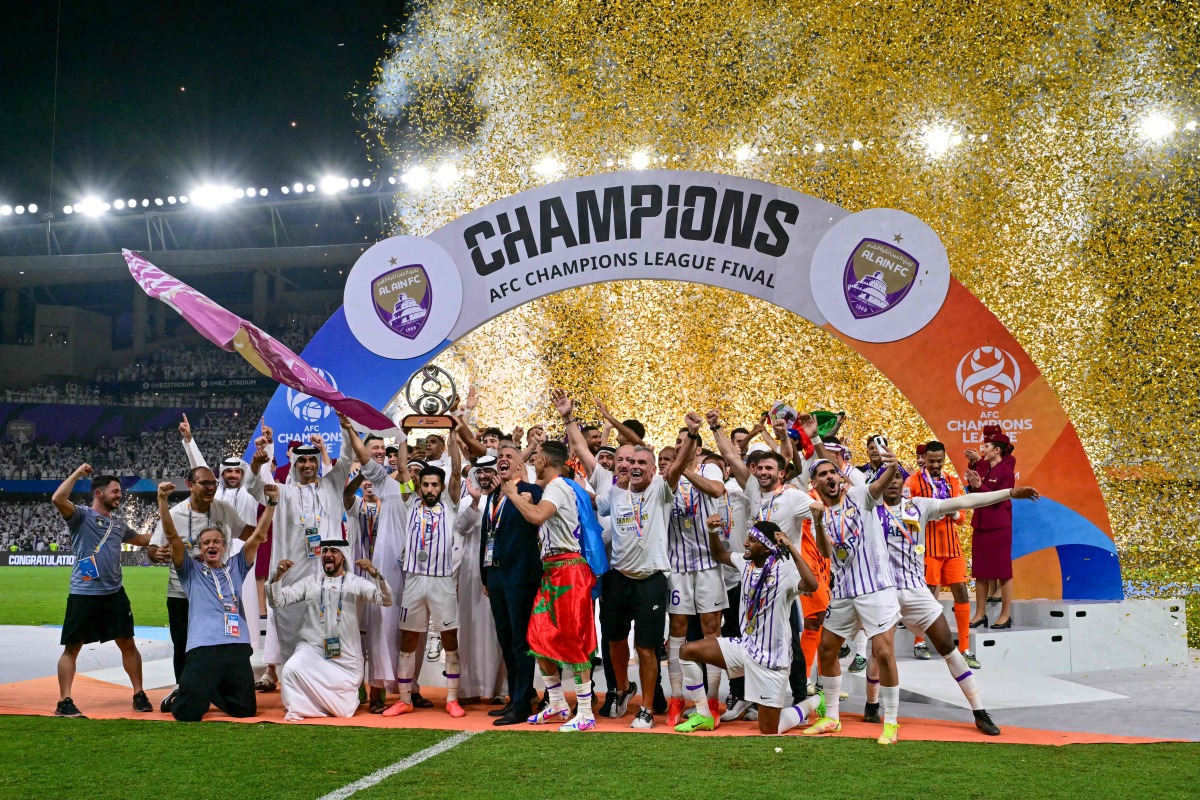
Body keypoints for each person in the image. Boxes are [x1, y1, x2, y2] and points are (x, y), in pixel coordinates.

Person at [864, 469, 1040, 735]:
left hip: (916, 592)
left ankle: (980, 712)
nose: (893, 482)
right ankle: (872, 706)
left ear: (903, 482)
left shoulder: (918, 506)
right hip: (883, 593)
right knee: (880, 652)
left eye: (897, 478)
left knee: (948, 647)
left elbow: (964, 502)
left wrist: (1010, 493)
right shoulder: (867, 511)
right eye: (887, 478)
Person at [675, 520, 823, 734]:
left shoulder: (785, 570)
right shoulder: (745, 563)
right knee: (687, 651)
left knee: (769, 729)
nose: (745, 543)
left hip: (772, 662)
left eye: (752, 540)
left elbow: (811, 585)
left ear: (766, 547)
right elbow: (719, 554)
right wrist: (712, 531)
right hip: (745, 648)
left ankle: (813, 702)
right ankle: (704, 716)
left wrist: (790, 547)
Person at [803, 452, 905, 745]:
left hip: (876, 587)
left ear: (839, 477)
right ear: (815, 483)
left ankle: (892, 722)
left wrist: (893, 465)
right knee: (826, 649)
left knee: (883, 652)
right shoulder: (820, 512)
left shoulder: (860, 496)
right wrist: (818, 522)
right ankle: (833, 717)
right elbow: (825, 552)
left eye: (832, 472)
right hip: (845, 591)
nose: (829, 477)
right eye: (822, 475)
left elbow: (880, 485)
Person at [246, 417, 356, 682]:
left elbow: (347, 454)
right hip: (293, 577)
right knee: (292, 631)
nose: (307, 465)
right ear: (294, 466)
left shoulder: (330, 485)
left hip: (327, 574)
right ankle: (293, 682)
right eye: (302, 461)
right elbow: (253, 486)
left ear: (318, 464)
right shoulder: (282, 492)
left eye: (312, 461)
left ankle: (330, 680)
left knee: (330, 627)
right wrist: (256, 463)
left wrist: (345, 425)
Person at [156, 479, 275, 722]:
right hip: (204, 647)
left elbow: (259, 535)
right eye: (206, 543)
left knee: (245, 710)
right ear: (200, 550)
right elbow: (172, 537)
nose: (212, 545)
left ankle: (207, 690)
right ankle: (187, 692)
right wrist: (162, 501)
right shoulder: (191, 571)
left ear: (224, 546)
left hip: (237, 646)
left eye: (216, 542)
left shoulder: (236, 566)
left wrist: (272, 503)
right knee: (187, 714)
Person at [503, 439, 599, 732]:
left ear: (544, 460)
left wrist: (512, 494)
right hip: (553, 570)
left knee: (574, 640)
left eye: (536, 459)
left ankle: (584, 712)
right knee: (538, 638)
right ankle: (557, 703)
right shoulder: (555, 489)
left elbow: (536, 516)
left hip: (569, 570)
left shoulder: (558, 486)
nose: (534, 463)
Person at [52, 465, 155, 718]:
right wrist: (77, 473)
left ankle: (139, 693)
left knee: (128, 644)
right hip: (84, 592)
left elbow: (141, 539)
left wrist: (170, 535)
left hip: (114, 593)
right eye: (115, 491)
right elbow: (57, 498)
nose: (120, 495)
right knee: (72, 648)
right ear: (98, 493)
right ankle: (64, 701)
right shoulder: (81, 516)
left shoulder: (118, 523)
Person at [382, 429, 468, 718]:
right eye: (427, 485)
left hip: (443, 581)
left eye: (435, 485)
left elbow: (456, 471)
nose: (430, 489)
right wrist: (402, 437)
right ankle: (405, 698)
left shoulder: (451, 505)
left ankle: (452, 699)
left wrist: (454, 434)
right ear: (421, 487)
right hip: (414, 580)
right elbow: (404, 470)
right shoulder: (409, 503)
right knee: (408, 639)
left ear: (442, 488)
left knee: (450, 640)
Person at [268, 540, 393, 720]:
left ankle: (316, 706)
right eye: (325, 551)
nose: (328, 554)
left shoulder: (356, 583)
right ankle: (299, 709)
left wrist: (375, 574)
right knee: (290, 669)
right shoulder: (310, 582)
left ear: (343, 556)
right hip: (313, 648)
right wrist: (277, 577)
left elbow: (386, 600)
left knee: (344, 712)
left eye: (334, 551)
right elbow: (278, 601)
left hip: (346, 655)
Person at [662, 415, 726, 725]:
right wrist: (677, 469)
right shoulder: (667, 475)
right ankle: (677, 698)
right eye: (676, 443)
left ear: (696, 449)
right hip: (678, 566)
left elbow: (716, 491)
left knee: (712, 628)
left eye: (684, 442)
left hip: (708, 564)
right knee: (677, 631)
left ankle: (712, 699)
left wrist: (686, 468)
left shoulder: (708, 467)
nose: (679, 446)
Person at [342, 427, 408, 713]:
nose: (379, 452)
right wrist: (361, 476)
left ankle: (378, 691)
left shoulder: (393, 498)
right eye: (373, 449)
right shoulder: (357, 505)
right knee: (357, 633)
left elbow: (404, 475)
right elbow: (346, 496)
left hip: (383, 575)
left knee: (381, 632)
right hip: (357, 576)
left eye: (383, 448)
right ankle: (354, 686)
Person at [480, 444, 545, 725]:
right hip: (495, 576)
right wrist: (484, 575)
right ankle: (519, 697)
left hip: (520, 576)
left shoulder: (532, 491)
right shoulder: (494, 495)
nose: (503, 460)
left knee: (521, 641)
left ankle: (520, 705)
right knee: (506, 640)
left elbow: (536, 524)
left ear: (521, 465)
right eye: (500, 458)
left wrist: (524, 498)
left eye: (509, 457)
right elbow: (486, 535)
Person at [904, 441, 977, 667]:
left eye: (939, 461)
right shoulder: (912, 481)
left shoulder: (952, 481)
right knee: (928, 596)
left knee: (962, 593)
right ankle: (919, 642)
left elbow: (963, 518)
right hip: (927, 549)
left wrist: (955, 514)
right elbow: (905, 514)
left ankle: (965, 648)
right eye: (931, 461)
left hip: (952, 547)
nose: (935, 465)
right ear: (924, 459)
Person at [964, 431, 1018, 628]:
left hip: (999, 524)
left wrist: (979, 486)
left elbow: (1000, 498)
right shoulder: (984, 467)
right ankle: (980, 613)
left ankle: (1005, 615)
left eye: (986, 447)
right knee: (980, 571)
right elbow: (977, 491)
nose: (982, 450)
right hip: (981, 522)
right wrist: (972, 485)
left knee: (1003, 571)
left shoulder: (1006, 471)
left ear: (997, 450)